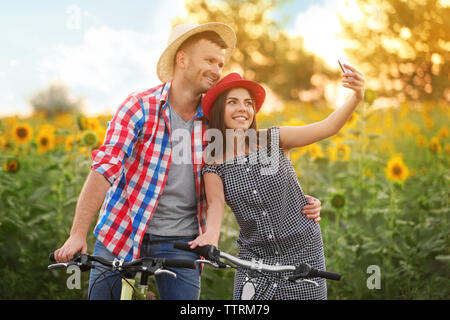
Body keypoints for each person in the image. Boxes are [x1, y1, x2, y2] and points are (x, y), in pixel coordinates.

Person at [53, 23, 324, 300]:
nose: (217, 71)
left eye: (220, 63)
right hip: (121, 232)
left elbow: (253, 163)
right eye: (209, 60)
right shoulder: (138, 107)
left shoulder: (216, 121)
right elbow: (104, 168)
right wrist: (77, 234)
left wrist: (297, 198)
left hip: (182, 243)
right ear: (182, 59)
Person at [191, 69, 364, 300]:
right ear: (218, 109)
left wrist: (357, 97)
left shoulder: (274, 139)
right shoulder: (213, 163)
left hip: (302, 251)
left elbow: (328, 127)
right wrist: (211, 236)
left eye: (248, 103)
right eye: (233, 102)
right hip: (254, 258)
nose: (243, 108)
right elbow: (215, 203)